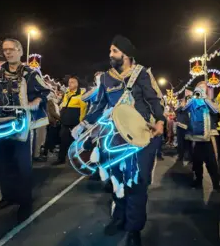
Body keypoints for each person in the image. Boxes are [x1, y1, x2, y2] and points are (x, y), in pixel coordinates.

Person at [71, 35, 165, 246]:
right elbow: (98, 105)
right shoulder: (106, 78)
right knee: (117, 181)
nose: (110, 55)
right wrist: (84, 124)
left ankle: (134, 228)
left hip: (141, 136)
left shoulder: (142, 74)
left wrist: (160, 121)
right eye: (110, 50)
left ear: (126, 53)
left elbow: (154, 100)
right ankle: (119, 218)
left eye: (114, 51)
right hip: (114, 138)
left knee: (137, 183)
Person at [0, 38, 50, 221]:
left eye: (11, 49)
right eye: (5, 50)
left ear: (20, 51)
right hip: (2, 121)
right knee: (2, 163)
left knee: (22, 165)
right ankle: (7, 197)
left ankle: (25, 202)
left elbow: (44, 92)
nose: (8, 53)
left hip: (22, 123)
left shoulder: (30, 73)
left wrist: (35, 102)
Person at [183, 81, 220, 189]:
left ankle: (216, 184)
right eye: (199, 88)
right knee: (197, 161)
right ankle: (198, 180)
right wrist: (192, 98)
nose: (201, 91)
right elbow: (183, 110)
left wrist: (206, 99)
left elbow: (215, 111)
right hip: (195, 137)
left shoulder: (210, 101)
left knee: (212, 161)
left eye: (203, 89)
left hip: (209, 136)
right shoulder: (192, 101)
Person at [54, 76, 87, 165]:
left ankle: (78, 160)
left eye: (72, 82)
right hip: (65, 122)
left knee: (76, 142)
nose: (69, 84)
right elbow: (64, 105)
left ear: (77, 83)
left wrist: (81, 122)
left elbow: (83, 108)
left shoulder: (81, 93)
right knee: (63, 141)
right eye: (69, 82)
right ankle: (61, 159)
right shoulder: (67, 93)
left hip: (75, 122)